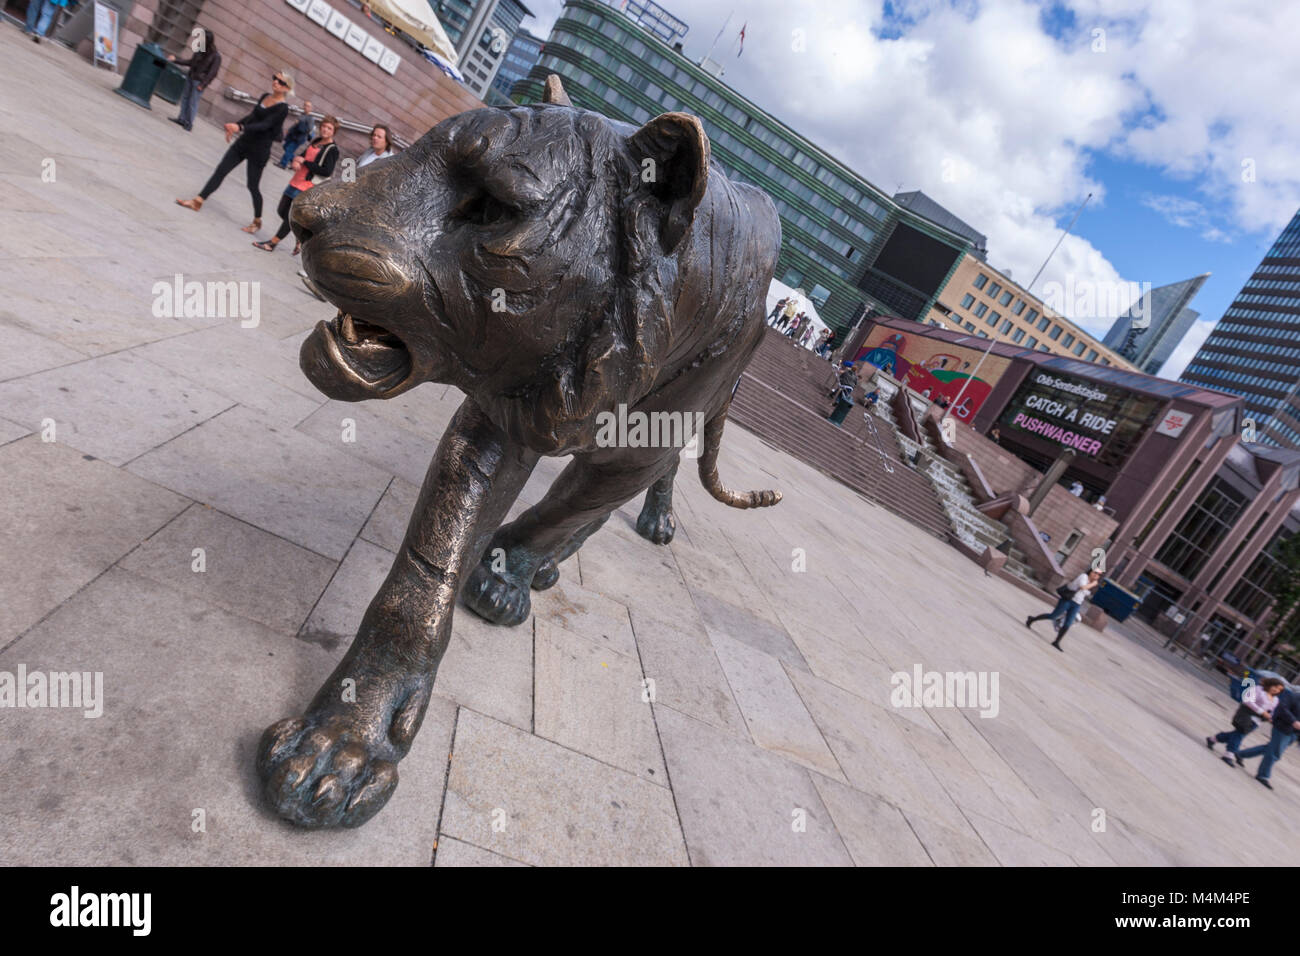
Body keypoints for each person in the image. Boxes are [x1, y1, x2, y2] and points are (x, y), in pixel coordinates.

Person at [175, 71, 293, 234]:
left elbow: (265, 125)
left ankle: (257, 220)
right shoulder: (265, 96)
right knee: (220, 171)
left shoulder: (283, 108)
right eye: (275, 78)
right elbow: (253, 117)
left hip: (259, 150)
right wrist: (235, 125)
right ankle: (198, 201)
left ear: (287, 88)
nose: (276, 82)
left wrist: (240, 128)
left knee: (252, 186)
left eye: (281, 82)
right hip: (243, 143)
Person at [254, 115, 339, 254]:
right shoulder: (317, 141)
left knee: (291, 216)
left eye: (329, 128)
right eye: (324, 126)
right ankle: (298, 236)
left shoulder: (332, 149)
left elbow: (326, 170)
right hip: (296, 180)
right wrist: (295, 160)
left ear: (334, 132)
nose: (325, 130)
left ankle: (272, 243)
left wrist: (304, 162)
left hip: (307, 186)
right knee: (281, 210)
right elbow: (304, 155)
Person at [1236, 682, 1300, 789]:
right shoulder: (1294, 696)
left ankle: (1240, 754)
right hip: (1283, 727)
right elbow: (1282, 708)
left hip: (1294, 733)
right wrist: (1293, 721)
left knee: (1270, 748)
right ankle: (1263, 775)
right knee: (1275, 753)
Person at [1208, 677, 1283, 766]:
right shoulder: (1258, 689)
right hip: (1245, 715)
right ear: (1270, 684)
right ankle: (1229, 754)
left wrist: (1270, 717)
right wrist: (1261, 711)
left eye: (1279, 689)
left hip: (1257, 721)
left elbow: (1272, 711)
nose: (1276, 690)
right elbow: (1247, 701)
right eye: (1275, 687)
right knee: (1239, 735)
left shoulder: (1276, 700)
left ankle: (1213, 739)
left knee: (1237, 734)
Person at [1026, 568, 1102, 651]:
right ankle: (1032, 619)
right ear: (1090, 572)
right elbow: (1083, 587)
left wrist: (1092, 585)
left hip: (1077, 604)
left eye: (1099, 575)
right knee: (1053, 616)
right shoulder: (1083, 576)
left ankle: (1056, 642)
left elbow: (1085, 593)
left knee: (1068, 624)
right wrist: (1093, 584)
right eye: (1095, 573)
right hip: (1068, 600)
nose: (1096, 575)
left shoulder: (1091, 583)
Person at [167, 30, 221, 132]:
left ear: (208, 40)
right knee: (185, 98)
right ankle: (182, 119)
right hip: (191, 77)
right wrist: (176, 60)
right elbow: (191, 62)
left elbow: (212, 73)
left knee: (193, 102)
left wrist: (203, 84)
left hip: (199, 81)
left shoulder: (216, 56)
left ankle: (189, 123)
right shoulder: (200, 50)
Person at [277, 103, 315, 169]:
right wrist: (289, 130)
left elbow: (309, 129)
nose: (306, 107)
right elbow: (295, 125)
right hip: (293, 135)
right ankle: (295, 161)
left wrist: (300, 124)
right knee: (285, 147)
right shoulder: (302, 115)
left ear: (311, 109)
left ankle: (283, 164)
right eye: (305, 105)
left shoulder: (310, 118)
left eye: (308, 106)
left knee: (289, 150)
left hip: (300, 138)